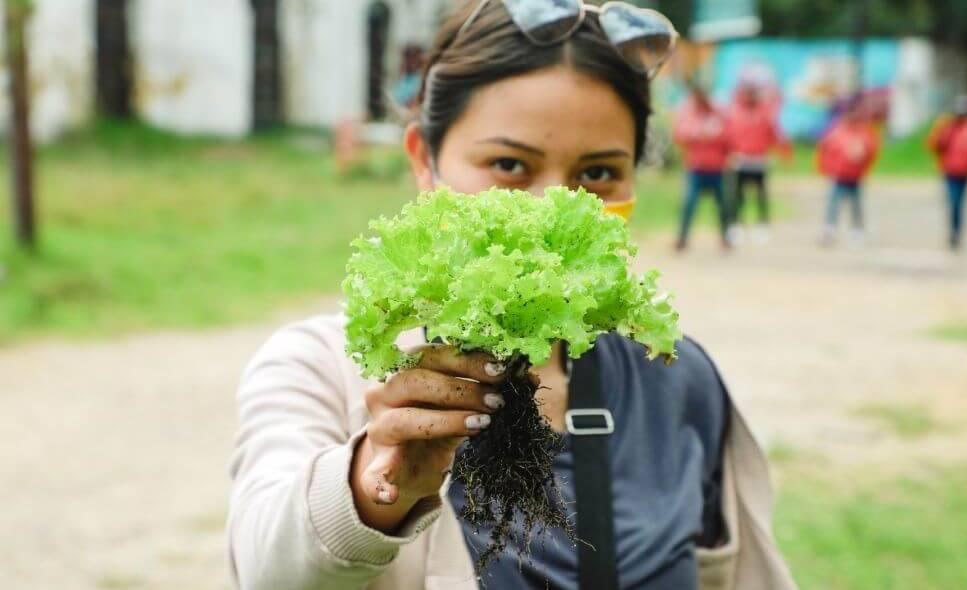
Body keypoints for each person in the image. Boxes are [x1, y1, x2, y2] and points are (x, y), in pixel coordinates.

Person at [226, 2, 798, 589]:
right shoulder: (319, 369)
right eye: (509, 164)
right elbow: (268, 570)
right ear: (425, 162)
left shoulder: (679, 381)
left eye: (598, 174)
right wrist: (369, 489)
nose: (554, 207)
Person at [725, 82, 790, 245]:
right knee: (738, 196)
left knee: (761, 196)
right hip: (739, 161)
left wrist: (784, 153)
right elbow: (727, 136)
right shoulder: (735, 113)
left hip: (758, 161)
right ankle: (736, 225)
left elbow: (774, 133)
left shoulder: (764, 113)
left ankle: (762, 225)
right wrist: (726, 154)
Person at [926, 95, 967, 251]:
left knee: (961, 204)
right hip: (950, 171)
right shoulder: (946, 126)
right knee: (953, 202)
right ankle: (953, 232)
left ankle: (957, 232)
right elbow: (934, 144)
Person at [672, 83, 732, 252]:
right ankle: (682, 238)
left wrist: (713, 135)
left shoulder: (719, 114)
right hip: (696, 168)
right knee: (689, 204)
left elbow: (728, 137)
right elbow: (680, 134)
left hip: (717, 168)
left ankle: (726, 237)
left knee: (723, 205)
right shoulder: (689, 113)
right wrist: (699, 133)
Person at [817, 99, 881, 246]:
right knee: (834, 202)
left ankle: (856, 231)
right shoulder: (837, 131)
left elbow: (872, 151)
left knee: (855, 204)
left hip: (855, 175)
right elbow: (826, 149)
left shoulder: (865, 132)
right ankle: (829, 230)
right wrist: (825, 168)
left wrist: (863, 155)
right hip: (839, 174)